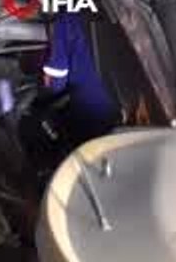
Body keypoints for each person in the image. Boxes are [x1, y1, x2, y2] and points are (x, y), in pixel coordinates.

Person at [19, 12, 123, 182]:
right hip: (120, 124)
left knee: (35, 123)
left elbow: (54, 86)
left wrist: (46, 72)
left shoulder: (68, 21)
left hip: (88, 119)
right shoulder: (130, 17)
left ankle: (43, 176)